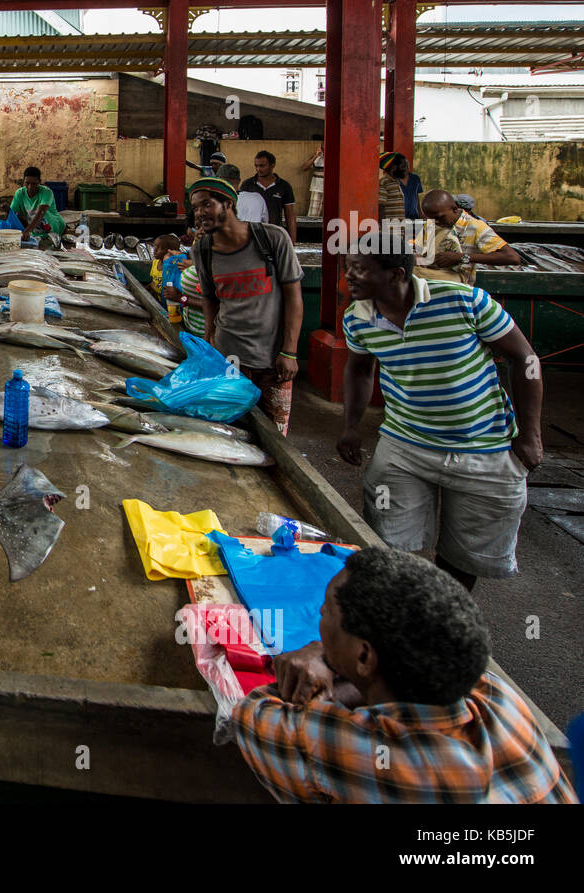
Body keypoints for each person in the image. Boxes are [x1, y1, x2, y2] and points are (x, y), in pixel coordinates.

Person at [232, 547, 575, 804]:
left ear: (364, 655)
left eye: (327, 610)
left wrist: (322, 667)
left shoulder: (364, 751)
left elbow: (252, 714)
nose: (320, 617)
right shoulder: (497, 696)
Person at [337, 235, 541, 590]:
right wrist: (350, 426)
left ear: (396, 275)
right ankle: (399, 618)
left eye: (358, 270)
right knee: (389, 542)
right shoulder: (358, 317)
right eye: (346, 268)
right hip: (404, 446)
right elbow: (359, 370)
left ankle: (441, 621)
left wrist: (530, 436)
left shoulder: (465, 301)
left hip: (484, 449)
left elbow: (525, 359)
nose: (348, 278)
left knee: (464, 555)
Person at [188, 177, 303, 435]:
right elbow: (209, 299)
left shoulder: (273, 239)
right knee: (231, 431)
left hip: (273, 361)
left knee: (274, 436)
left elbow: (294, 296)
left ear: (228, 203)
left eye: (206, 204)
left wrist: (290, 351)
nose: (199, 213)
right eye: (195, 208)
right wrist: (210, 340)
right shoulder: (203, 250)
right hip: (230, 357)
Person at [418, 188, 519, 286]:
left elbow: (512, 257)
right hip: (432, 276)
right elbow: (419, 250)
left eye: (440, 217)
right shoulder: (432, 224)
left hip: (458, 282)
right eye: (432, 219)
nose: (437, 222)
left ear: (454, 208)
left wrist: (462, 257)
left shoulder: (475, 227)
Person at [239, 150, 297, 239]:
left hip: (274, 233)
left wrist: (292, 240)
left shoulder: (284, 186)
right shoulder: (248, 185)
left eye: (262, 166)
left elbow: (290, 215)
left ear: (272, 165)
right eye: (256, 166)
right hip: (253, 234)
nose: (258, 169)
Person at [10, 167, 66, 240]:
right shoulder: (19, 193)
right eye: (27, 183)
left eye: (34, 184)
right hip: (36, 230)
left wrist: (27, 231)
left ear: (39, 182)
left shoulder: (46, 192)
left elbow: (41, 212)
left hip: (54, 229)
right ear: (23, 181)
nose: (30, 187)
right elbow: (12, 213)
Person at [377, 151, 407, 221]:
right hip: (389, 230)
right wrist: (384, 229)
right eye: (403, 166)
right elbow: (380, 207)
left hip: (398, 229)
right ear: (393, 167)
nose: (405, 169)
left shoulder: (396, 182)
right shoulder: (384, 182)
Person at [300, 141, 324, 218]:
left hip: (330, 190)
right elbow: (304, 168)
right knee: (313, 215)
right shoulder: (317, 158)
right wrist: (316, 156)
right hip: (316, 189)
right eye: (323, 147)